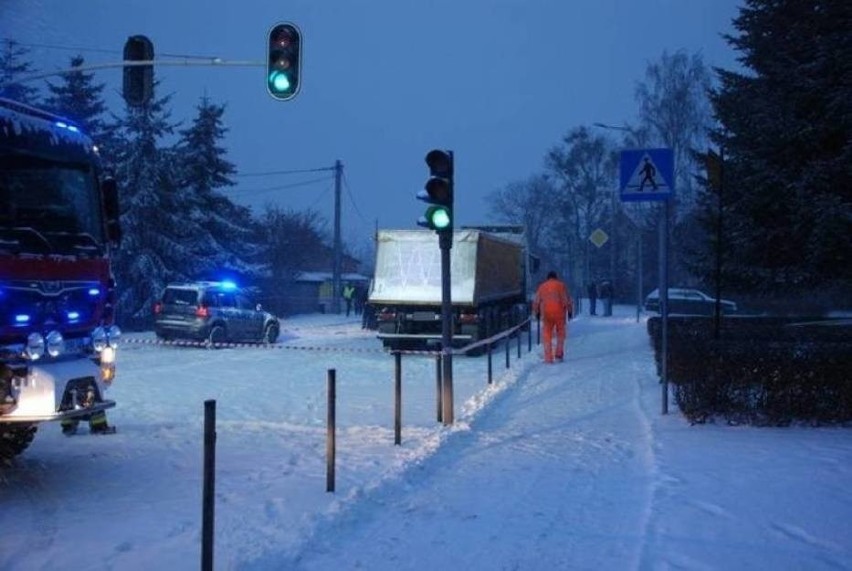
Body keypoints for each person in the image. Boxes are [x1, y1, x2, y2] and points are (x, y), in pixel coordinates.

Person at [533, 270, 572, 364]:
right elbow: (566, 300)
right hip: (560, 314)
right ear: (555, 277)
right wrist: (570, 311)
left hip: (546, 314)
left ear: (548, 278)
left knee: (547, 336)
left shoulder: (542, 286)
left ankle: (548, 358)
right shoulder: (561, 285)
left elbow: (536, 301)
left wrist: (537, 312)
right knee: (560, 335)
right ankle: (559, 355)